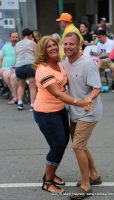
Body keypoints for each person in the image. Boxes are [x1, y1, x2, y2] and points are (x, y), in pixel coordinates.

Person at [33, 36, 93, 194]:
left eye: (54, 45)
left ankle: (50, 173)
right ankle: (47, 181)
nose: (53, 48)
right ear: (42, 50)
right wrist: (80, 102)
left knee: (62, 142)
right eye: (48, 46)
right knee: (57, 145)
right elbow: (57, 94)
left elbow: (63, 83)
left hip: (59, 110)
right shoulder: (43, 69)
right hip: (45, 113)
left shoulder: (59, 62)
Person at [63, 32, 103, 200]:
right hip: (74, 111)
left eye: (71, 44)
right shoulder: (65, 61)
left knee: (78, 146)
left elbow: (97, 87)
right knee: (82, 145)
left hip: (89, 111)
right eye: (65, 44)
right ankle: (94, 175)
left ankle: (86, 185)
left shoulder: (87, 64)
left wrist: (88, 99)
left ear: (79, 45)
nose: (67, 47)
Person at [15, 28, 37, 111]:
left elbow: (16, 56)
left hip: (19, 65)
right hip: (30, 65)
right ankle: (32, 105)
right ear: (30, 35)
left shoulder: (17, 44)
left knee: (21, 85)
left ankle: (20, 103)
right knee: (32, 86)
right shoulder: (32, 43)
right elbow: (36, 55)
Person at [0, 31, 19, 103]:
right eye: (13, 37)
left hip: (15, 67)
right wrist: (1, 66)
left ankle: (12, 93)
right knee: (2, 71)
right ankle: (12, 92)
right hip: (6, 67)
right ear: (10, 38)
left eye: (16, 37)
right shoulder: (6, 46)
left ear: (18, 38)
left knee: (5, 74)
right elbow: (1, 58)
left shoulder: (20, 46)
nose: (15, 39)